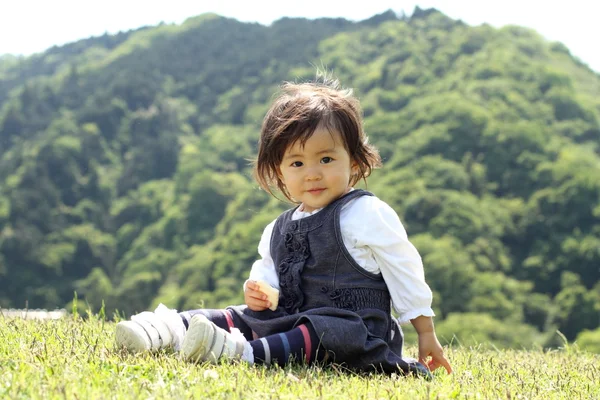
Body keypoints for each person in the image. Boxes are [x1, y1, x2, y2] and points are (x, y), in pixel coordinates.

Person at [115, 75, 452, 377]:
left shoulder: (366, 213)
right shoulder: (278, 227)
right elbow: (268, 273)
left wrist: (425, 332)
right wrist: (260, 290)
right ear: (279, 173)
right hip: (289, 318)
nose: (312, 173)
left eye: (326, 159)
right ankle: (165, 330)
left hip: (354, 332)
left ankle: (242, 353)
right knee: (239, 314)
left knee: (323, 328)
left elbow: (404, 271)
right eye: (297, 162)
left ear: (354, 161)